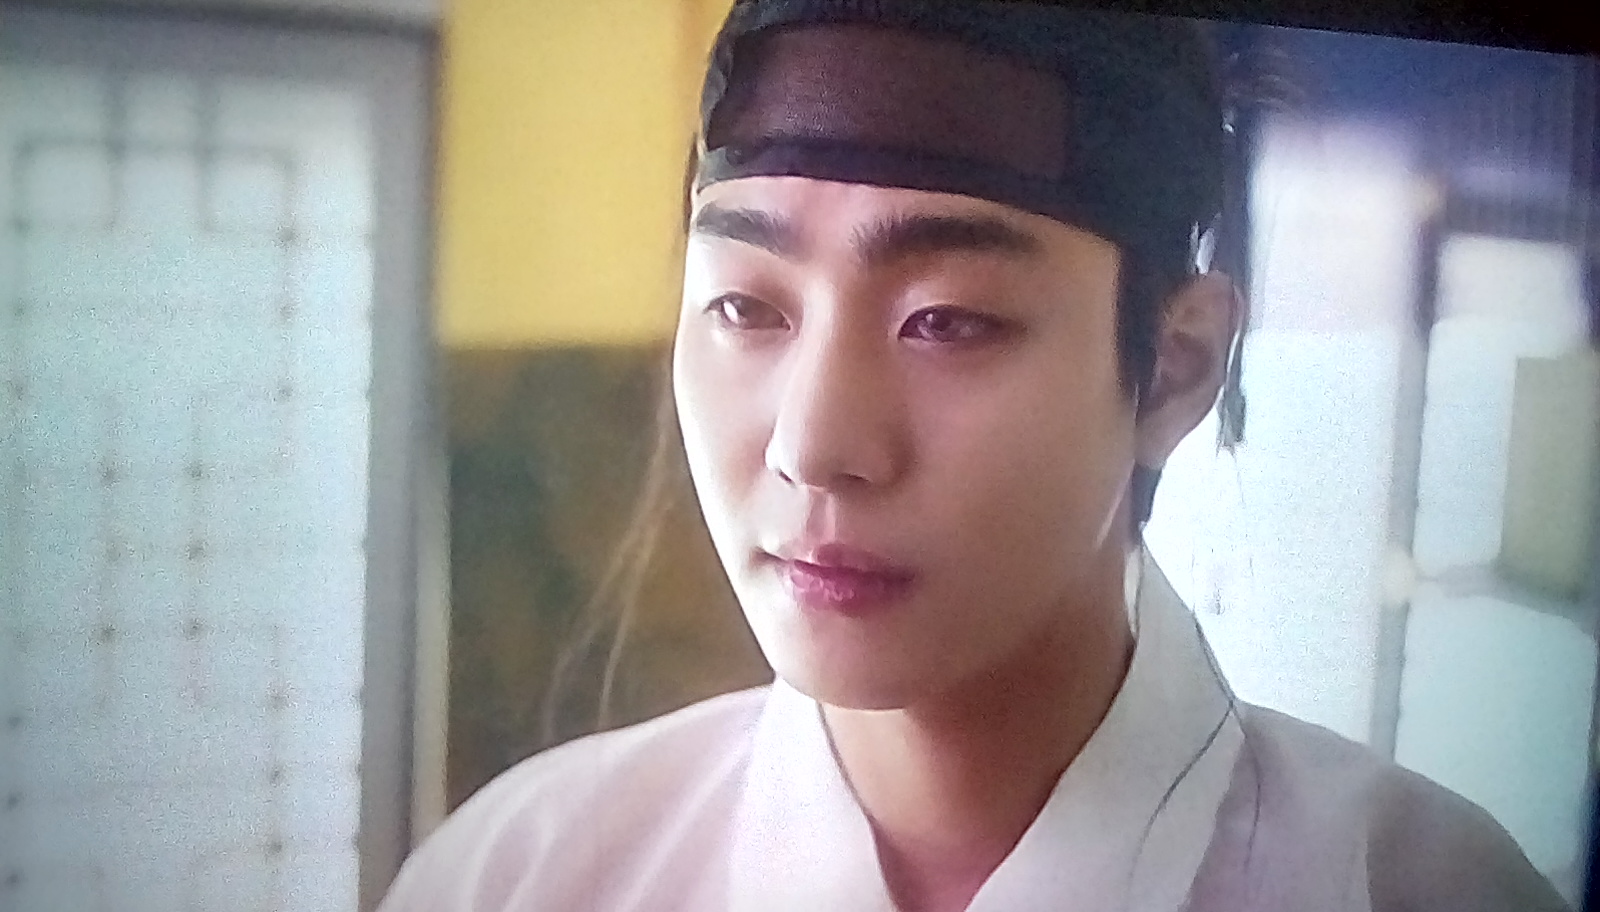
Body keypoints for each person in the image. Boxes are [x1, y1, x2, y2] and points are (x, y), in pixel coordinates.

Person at [379, 2, 1570, 909]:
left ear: (1175, 365)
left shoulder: (1418, 885)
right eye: (746, 307)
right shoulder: (525, 872)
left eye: (946, 320)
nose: (813, 446)